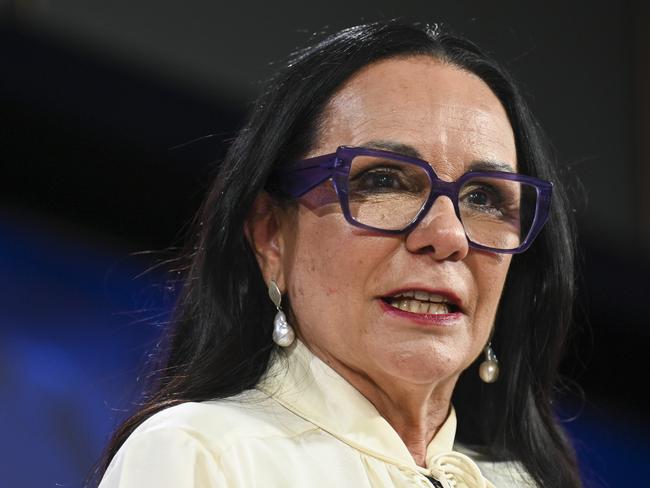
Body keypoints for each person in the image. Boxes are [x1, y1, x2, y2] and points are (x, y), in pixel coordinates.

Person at [96, 20, 582, 487]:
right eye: (384, 181)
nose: (448, 234)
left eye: (484, 197)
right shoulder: (202, 455)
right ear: (271, 237)